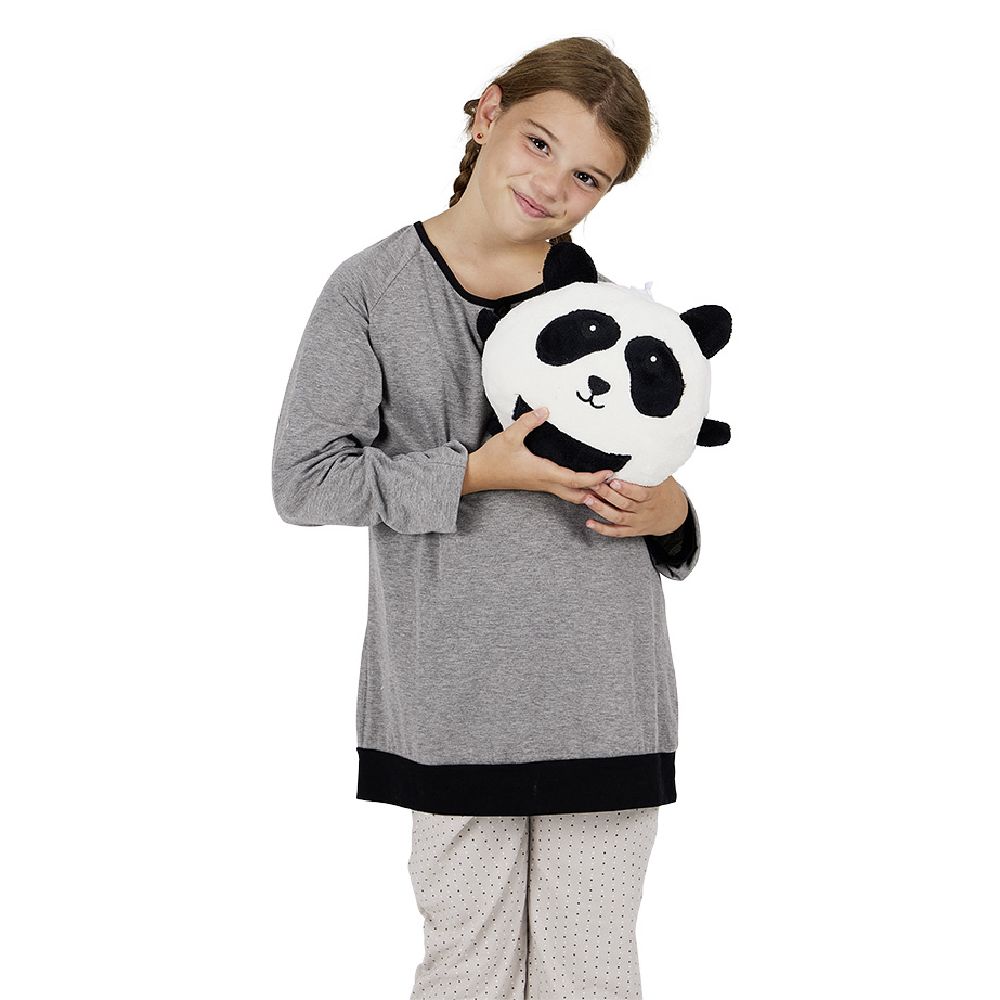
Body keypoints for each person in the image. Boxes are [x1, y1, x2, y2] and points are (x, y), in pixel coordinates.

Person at [272, 35, 703, 1000]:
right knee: (468, 966)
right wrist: (474, 472)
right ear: (487, 113)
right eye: (539, 143)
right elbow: (304, 480)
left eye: (588, 176)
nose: (552, 185)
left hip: (603, 694)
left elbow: (655, 478)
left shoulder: (604, 307)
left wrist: (675, 513)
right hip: (456, 701)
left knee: (592, 972)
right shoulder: (374, 289)